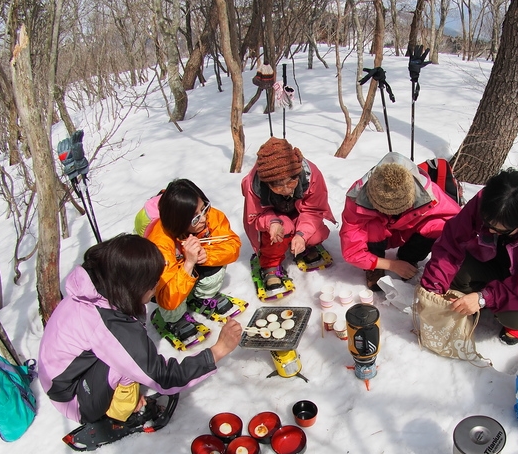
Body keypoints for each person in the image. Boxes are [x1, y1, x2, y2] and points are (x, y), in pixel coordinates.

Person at [38, 234, 242, 435]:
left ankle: (119, 390)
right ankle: (121, 410)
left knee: (130, 355)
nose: (156, 289)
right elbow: (165, 377)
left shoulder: (100, 284)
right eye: (153, 283)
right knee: (127, 363)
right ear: (134, 287)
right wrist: (218, 350)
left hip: (64, 374)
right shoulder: (109, 324)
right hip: (74, 397)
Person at [420, 169, 518, 345]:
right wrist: (433, 288)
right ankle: (485, 296)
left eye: (500, 230)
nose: (491, 230)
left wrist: (483, 297)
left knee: (515, 316)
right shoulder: (489, 199)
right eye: (487, 224)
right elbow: (451, 242)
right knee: (453, 274)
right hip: (494, 261)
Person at [340, 152, 461, 290]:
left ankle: (408, 258)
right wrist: (390, 265)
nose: (391, 215)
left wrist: (444, 264)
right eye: (384, 210)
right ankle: (375, 266)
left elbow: (456, 224)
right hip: (378, 235)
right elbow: (351, 251)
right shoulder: (357, 199)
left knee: (438, 225)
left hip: (408, 230)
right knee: (372, 226)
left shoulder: (429, 194)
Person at [147, 179, 242, 334]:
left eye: (204, 209)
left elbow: (232, 244)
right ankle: (174, 319)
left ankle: (203, 296)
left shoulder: (206, 216)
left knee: (217, 263)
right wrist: (188, 263)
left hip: (192, 267)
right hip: (172, 282)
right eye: (196, 217)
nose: (204, 218)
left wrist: (207, 255)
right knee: (172, 303)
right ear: (179, 221)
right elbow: (166, 297)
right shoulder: (159, 243)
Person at [241, 137, 335, 290]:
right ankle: (270, 265)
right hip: (274, 218)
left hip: (300, 214)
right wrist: (272, 222)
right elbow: (255, 215)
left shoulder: (312, 176)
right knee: (278, 234)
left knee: (314, 233)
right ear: (267, 183)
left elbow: (314, 210)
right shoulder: (254, 185)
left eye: (291, 182)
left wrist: (302, 235)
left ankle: (305, 246)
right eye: (278, 186)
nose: (286, 189)